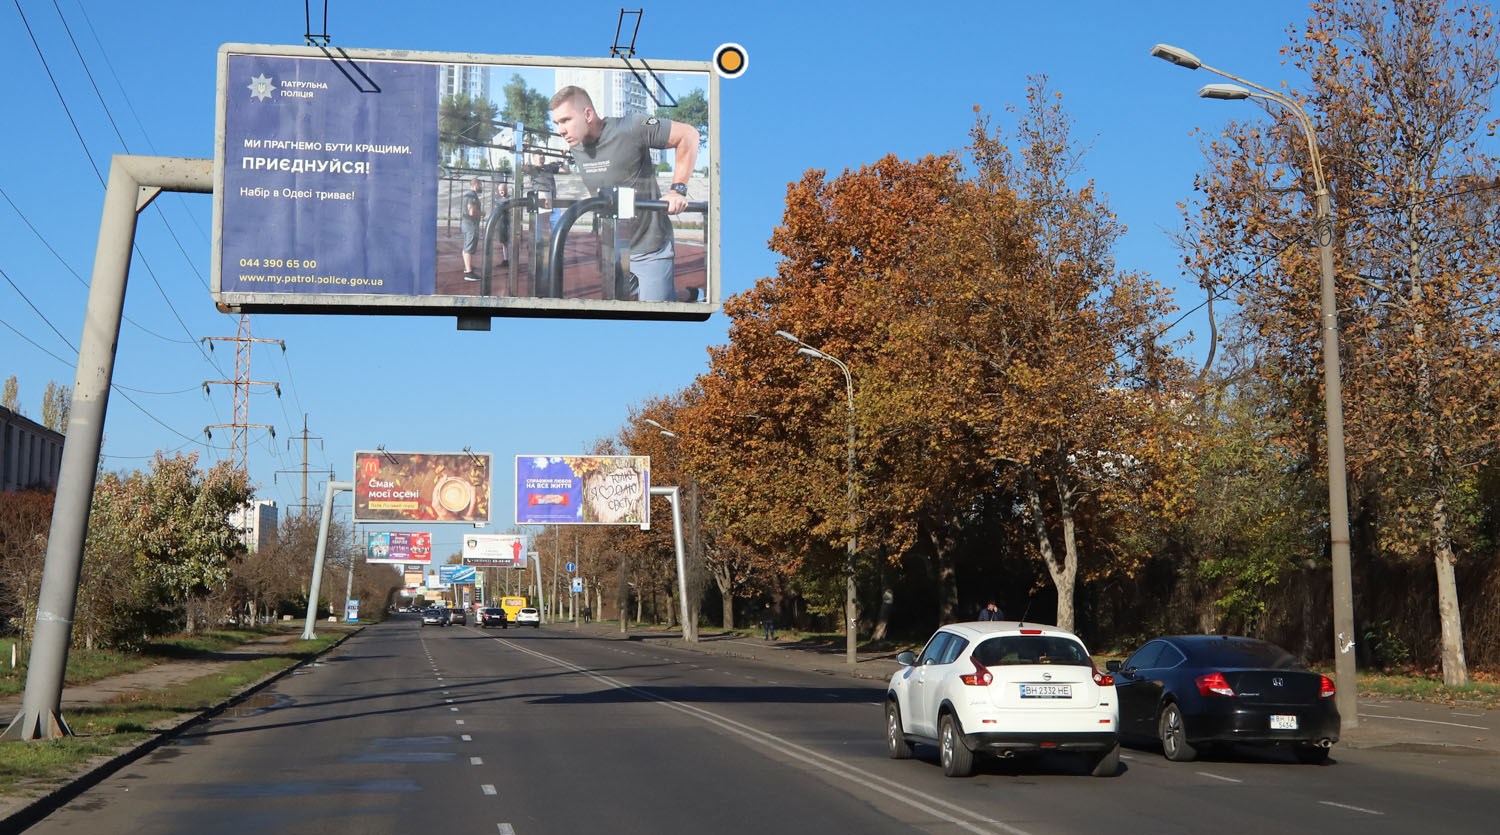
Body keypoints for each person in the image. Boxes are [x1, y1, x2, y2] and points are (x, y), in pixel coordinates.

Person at [548, 85, 700, 302]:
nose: (560, 130)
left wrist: (677, 190)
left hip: (650, 245)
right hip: (615, 247)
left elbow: (688, 134)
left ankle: (688, 296)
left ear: (588, 114)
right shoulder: (576, 147)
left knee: (653, 317)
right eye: (557, 123)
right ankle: (687, 295)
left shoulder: (632, 126)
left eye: (565, 120)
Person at [460, 177, 483, 280]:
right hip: (470, 225)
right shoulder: (472, 196)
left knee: (466, 247)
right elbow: (472, 212)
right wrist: (482, 213)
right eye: (480, 185)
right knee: (468, 248)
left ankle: (467, 267)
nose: (481, 187)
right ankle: (469, 273)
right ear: (476, 185)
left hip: (466, 224)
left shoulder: (467, 195)